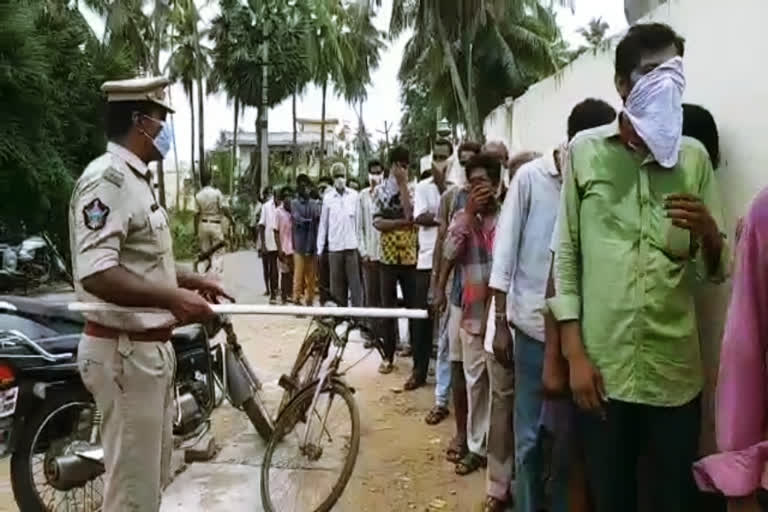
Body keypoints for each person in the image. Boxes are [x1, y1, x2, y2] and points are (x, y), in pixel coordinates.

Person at [548, 23, 728, 512]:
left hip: (674, 374)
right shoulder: (585, 152)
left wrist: (710, 233)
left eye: (674, 72)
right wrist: (574, 356)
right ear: (623, 86)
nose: (666, 84)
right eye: (652, 72)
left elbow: (716, 270)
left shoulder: (693, 160)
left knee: (674, 496)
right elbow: (566, 255)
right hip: (603, 372)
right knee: (613, 496)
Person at [70, 77, 230, 512]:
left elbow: (141, 262)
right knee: (131, 497)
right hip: (124, 354)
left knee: (149, 484)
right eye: (161, 120)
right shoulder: (107, 180)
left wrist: (188, 281)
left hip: (146, 356)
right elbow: (98, 273)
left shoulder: (135, 181)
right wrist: (173, 300)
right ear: (140, 122)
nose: (165, 131)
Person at [435, 152, 503, 477]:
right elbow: (449, 252)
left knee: (501, 387)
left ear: (496, 184)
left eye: (483, 182)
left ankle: (497, 448)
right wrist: (468, 215)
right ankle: (476, 446)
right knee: (475, 382)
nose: (477, 189)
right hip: (473, 312)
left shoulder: (507, 215)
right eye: (473, 182)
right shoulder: (463, 217)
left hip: (502, 313)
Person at [428, 141, 481, 457]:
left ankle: (477, 436)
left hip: (487, 297)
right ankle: (442, 404)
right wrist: (438, 284)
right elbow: (443, 244)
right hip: (460, 290)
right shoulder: (452, 199)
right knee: (452, 353)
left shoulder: (501, 203)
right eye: (464, 162)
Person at [408, 139, 453, 394]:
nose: (440, 161)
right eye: (436, 156)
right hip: (426, 260)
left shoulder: (456, 187)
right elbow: (419, 217)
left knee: (447, 323)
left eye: (444, 156)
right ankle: (419, 370)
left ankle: (445, 383)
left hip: (450, 261)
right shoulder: (424, 187)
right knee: (421, 320)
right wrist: (443, 218)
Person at [372, 146, 421, 377]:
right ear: (391, 166)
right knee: (387, 309)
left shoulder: (413, 189)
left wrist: (402, 186)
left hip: (410, 257)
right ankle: (388, 355)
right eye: (399, 165)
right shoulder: (380, 190)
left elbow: (411, 216)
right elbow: (377, 222)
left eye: (406, 165)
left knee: (413, 308)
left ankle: (414, 356)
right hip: (388, 258)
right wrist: (400, 223)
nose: (403, 169)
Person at [317, 162, 363, 307]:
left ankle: (358, 321)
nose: (340, 179)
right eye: (337, 176)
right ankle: (340, 322)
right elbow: (323, 225)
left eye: (342, 176)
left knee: (356, 287)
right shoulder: (328, 198)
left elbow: (359, 224)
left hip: (351, 247)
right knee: (337, 288)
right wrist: (320, 248)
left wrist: (361, 247)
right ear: (333, 178)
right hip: (335, 249)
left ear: (346, 176)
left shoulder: (355, 196)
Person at [357, 160, 385, 344]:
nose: (375, 175)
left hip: (386, 255)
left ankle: (390, 336)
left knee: (387, 298)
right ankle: (372, 334)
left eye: (378, 172)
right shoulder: (362, 196)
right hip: (369, 255)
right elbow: (359, 227)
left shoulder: (388, 194)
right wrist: (363, 252)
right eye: (372, 172)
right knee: (371, 297)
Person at [195, 169, 232, 274]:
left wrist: (195, 231)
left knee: (205, 253)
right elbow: (224, 208)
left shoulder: (198, 195)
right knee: (218, 253)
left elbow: (196, 214)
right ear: (211, 180)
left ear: (201, 181)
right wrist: (231, 219)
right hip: (215, 225)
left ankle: (203, 277)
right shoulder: (217, 193)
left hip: (203, 225)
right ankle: (216, 277)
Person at [292, 174, 320, 306]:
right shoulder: (294, 203)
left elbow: (318, 216)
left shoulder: (314, 203)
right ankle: (296, 299)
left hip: (312, 244)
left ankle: (310, 301)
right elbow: (298, 219)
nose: (304, 188)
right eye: (301, 185)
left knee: (311, 277)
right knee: (298, 275)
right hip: (300, 245)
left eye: (306, 185)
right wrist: (310, 220)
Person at [258, 186, 279, 303]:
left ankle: (282, 292)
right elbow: (261, 225)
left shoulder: (284, 206)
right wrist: (263, 244)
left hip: (282, 242)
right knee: (272, 269)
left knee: (284, 270)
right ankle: (273, 293)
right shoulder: (266, 207)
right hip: (270, 241)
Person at [275, 186, 294, 304]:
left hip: (295, 247)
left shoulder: (295, 210)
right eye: (286, 196)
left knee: (293, 273)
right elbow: (276, 231)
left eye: (290, 195)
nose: (288, 198)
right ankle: (283, 296)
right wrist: (279, 249)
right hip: (284, 246)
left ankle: (291, 294)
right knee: (284, 272)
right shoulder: (278, 212)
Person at [317, 176, 333, 303]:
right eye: (321, 188)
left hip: (334, 248)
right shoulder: (316, 205)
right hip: (321, 249)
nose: (324, 191)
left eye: (326, 187)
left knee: (334, 281)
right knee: (322, 280)